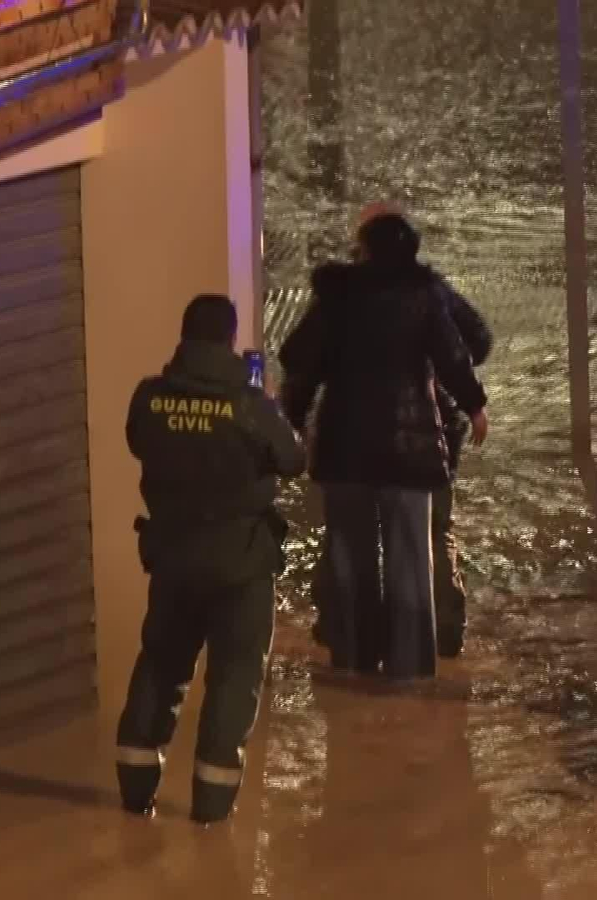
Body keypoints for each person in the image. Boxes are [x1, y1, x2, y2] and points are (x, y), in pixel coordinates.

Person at [115, 294, 306, 824]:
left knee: (160, 664)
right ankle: (210, 814)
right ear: (229, 339)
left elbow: (137, 442)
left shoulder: (149, 398)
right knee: (234, 677)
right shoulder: (251, 406)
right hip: (240, 564)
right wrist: (269, 405)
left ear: (184, 336)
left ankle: (134, 797)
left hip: (173, 559)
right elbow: (294, 459)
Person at [279, 211, 488, 681]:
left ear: (364, 248)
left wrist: (293, 418)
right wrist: (474, 405)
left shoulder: (337, 295)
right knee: (411, 556)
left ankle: (353, 659)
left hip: (344, 446)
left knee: (349, 555)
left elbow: (298, 358)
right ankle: (409, 668)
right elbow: (456, 354)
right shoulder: (425, 294)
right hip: (411, 449)